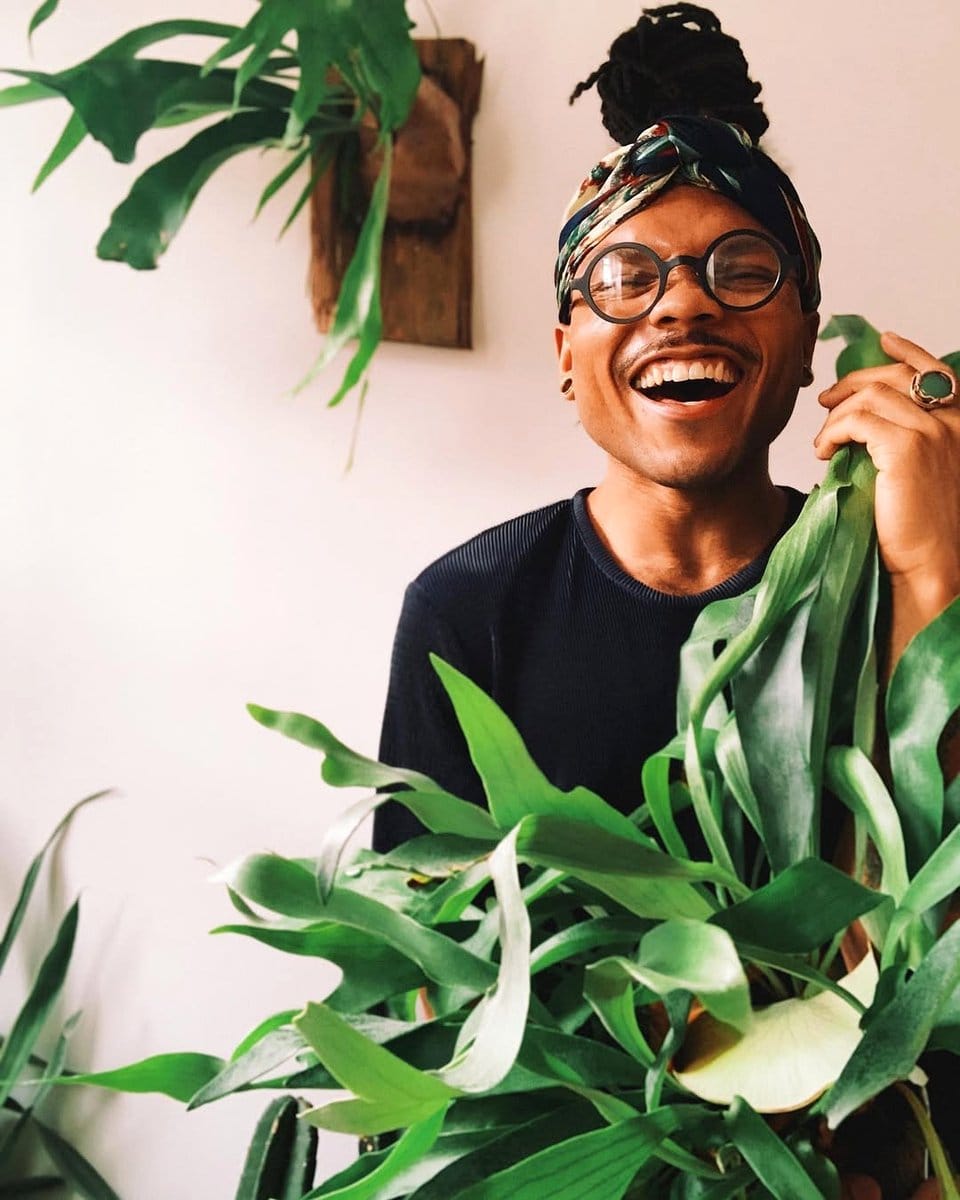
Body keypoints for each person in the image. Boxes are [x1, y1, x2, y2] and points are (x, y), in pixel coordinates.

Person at [372, 10, 960, 1192]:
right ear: (565, 350)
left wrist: (936, 582)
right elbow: (426, 999)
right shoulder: (471, 612)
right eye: (623, 276)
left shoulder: (909, 573)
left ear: (807, 344)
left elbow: (925, 972)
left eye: (742, 269)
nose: (680, 306)